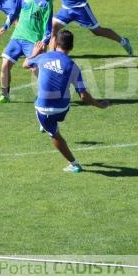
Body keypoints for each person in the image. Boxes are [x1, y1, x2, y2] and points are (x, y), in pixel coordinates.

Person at [23, 30, 109, 173]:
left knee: (54, 134)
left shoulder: (43, 57)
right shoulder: (73, 66)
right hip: (63, 108)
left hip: (45, 110)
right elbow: (83, 96)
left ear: (55, 43)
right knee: (55, 90)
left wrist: (35, 53)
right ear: (71, 47)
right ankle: (48, 123)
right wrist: (100, 105)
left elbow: (25, 64)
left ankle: (74, 164)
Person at [0, 0, 53, 104]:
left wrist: (44, 42)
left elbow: (48, 27)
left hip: (33, 41)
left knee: (35, 68)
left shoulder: (47, 2)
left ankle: (44, 95)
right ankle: (4, 96)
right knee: (5, 65)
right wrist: (5, 26)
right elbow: (14, 13)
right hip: (17, 37)